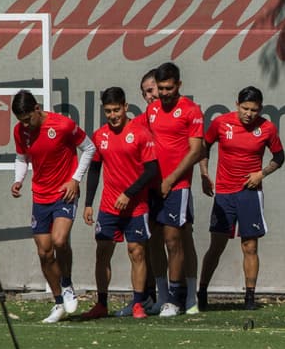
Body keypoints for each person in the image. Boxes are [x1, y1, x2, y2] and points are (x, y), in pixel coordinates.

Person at [197, 86, 285, 312]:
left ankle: (249, 297)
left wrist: (261, 173)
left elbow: (279, 157)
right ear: (236, 104)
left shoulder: (267, 128)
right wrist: (204, 174)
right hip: (225, 194)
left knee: (250, 246)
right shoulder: (221, 123)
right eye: (245, 108)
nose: (249, 114)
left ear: (260, 109)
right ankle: (202, 292)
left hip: (249, 193)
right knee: (216, 246)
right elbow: (204, 146)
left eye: (254, 110)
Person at [11, 89, 95, 323]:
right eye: (22, 121)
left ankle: (67, 283)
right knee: (44, 252)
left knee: (59, 240)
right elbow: (21, 158)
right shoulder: (21, 131)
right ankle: (59, 302)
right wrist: (18, 179)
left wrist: (75, 179)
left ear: (37, 109)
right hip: (40, 195)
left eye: (28, 119)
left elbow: (89, 148)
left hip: (64, 192)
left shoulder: (63, 125)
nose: (26, 125)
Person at [81, 87, 159, 320]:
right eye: (108, 111)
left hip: (136, 206)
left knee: (137, 252)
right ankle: (101, 304)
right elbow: (94, 169)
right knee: (102, 253)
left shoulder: (141, 133)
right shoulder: (100, 136)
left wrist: (129, 193)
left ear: (126, 107)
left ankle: (138, 304)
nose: (113, 115)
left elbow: (152, 170)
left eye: (116, 110)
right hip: (108, 206)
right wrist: (88, 203)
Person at [144, 62, 206, 317]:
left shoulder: (191, 111)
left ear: (179, 85)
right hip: (153, 185)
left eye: (169, 88)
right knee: (154, 240)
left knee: (174, 239)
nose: (164, 93)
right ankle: (163, 296)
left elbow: (195, 151)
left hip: (177, 185)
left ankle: (178, 298)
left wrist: (170, 179)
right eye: (160, 88)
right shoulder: (152, 110)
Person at [138, 69, 168, 314]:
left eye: (153, 90)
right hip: (148, 188)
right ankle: (148, 296)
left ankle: (182, 296)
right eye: (146, 93)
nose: (151, 96)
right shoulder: (142, 121)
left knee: (176, 239)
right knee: (146, 242)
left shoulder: (178, 113)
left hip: (171, 186)